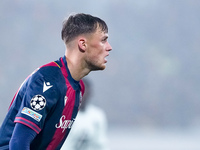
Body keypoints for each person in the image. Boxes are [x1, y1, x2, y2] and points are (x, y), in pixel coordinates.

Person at [0, 13, 112, 150]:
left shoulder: (79, 87)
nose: (109, 47)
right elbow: (18, 143)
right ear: (83, 44)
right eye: (103, 40)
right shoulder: (47, 81)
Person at [61, 79, 109, 150]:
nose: (82, 94)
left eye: (85, 91)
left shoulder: (98, 116)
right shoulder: (64, 115)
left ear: (90, 93)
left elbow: (101, 143)